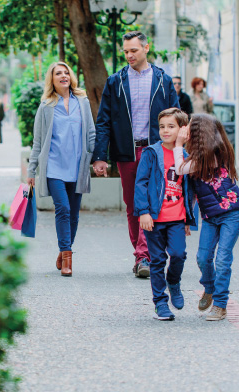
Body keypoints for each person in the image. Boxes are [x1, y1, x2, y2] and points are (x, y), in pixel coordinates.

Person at [93, 31, 180, 278]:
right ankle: (143, 254)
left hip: (156, 151)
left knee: (152, 201)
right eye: (126, 51)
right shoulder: (115, 81)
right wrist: (101, 156)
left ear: (146, 48)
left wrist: (179, 151)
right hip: (127, 152)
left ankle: (144, 256)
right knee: (133, 204)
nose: (129, 55)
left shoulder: (163, 80)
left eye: (134, 50)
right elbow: (104, 121)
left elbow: (178, 117)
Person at [27, 61, 95, 277]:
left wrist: (97, 159)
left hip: (77, 166)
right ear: (52, 79)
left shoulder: (82, 101)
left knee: (74, 214)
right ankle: (67, 258)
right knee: (63, 209)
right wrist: (31, 171)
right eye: (59, 73)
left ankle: (63, 249)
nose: (64, 76)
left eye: (66, 72)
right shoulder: (46, 106)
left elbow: (91, 133)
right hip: (54, 167)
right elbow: (38, 141)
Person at [174, 114, 239, 321]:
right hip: (210, 216)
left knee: (222, 260)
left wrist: (178, 144)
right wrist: (187, 219)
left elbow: (180, 169)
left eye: (190, 128)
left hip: (231, 214)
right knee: (203, 258)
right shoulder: (198, 156)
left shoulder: (213, 155)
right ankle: (209, 288)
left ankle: (220, 305)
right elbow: (191, 192)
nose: (186, 130)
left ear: (200, 133)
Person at [134, 108, 196, 320]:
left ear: (182, 130)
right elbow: (140, 183)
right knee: (157, 260)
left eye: (171, 126)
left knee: (178, 254)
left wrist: (188, 218)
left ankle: (174, 282)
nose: (165, 130)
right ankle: (160, 303)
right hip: (154, 218)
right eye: (162, 126)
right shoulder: (151, 153)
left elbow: (189, 191)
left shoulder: (186, 156)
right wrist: (143, 212)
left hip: (177, 218)